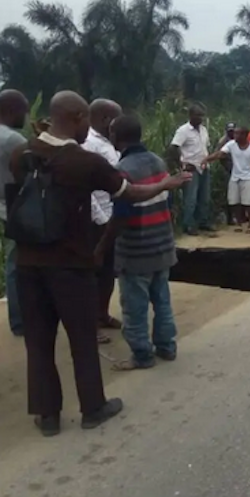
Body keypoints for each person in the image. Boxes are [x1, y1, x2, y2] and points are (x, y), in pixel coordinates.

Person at [9, 91, 190, 436]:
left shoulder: (23, 154)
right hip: (72, 264)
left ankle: (48, 417)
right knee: (81, 339)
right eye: (85, 122)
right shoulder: (84, 162)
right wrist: (166, 184)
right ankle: (93, 407)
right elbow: (131, 193)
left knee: (39, 341)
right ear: (78, 118)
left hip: (29, 263)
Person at [96, 115, 179, 371]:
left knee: (134, 308)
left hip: (136, 251)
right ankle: (167, 347)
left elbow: (121, 216)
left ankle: (142, 355)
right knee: (162, 299)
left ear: (114, 136)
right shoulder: (157, 161)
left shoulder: (123, 171)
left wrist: (102, 247)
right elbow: (168, 202)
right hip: (163, 245)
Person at [81, 99, 123, 342]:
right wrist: (100, 219)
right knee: (92, 272)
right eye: (116, 120)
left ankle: (102, 314)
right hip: (95, 219)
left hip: (110, 216)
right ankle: (89, 325)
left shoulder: (108, 143)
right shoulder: (89, 145)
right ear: (106, 119)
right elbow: (86, 187)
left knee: (108, 271)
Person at [0, 89, 29, 337]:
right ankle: (21, 320)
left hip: (3, 204)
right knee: (17, 262)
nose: (27, 115)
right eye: (24, 110)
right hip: (15, 206)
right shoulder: (14, 140)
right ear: (11, 110)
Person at [202, 126, 250, 234]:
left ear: (245, 135)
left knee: (249, 202)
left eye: (238, 134)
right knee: (235, 202)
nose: (235, 136)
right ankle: (239, 223)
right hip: (235, 177)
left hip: (247, 177)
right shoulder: (231, 144)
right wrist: (207, 159)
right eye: (235, 134)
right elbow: (220, 154)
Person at [168, 105, 216, 237]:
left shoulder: (204, 130)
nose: (200, 118)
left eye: (202, 115)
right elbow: (173, 147)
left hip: (204, 167)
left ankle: (203, 222)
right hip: (191, 168)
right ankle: (188, 224)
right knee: (191, 198)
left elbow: (205, 147)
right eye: (197, 115)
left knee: (204, 197)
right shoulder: (183, 131)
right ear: (190, 116)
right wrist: (182, 164)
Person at [215, 123, 237, 226]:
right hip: (227, 170)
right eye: (230, 130)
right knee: (230, 194)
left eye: (233, 130)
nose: (231, 132)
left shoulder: (237, 140)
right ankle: (230, 218)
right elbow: (219, 155)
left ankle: (237, 216)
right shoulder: (223, 141)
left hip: (237, 170)